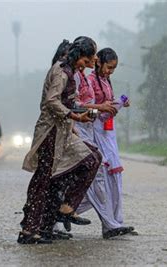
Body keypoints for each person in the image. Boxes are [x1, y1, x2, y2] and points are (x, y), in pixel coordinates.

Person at [18, 37, 102, 244]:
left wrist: (85, 112)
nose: (88, 64)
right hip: (50, 133)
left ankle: (63, 209)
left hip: (63, 132)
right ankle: (29, 230)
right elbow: (51, 101)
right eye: (87, 59)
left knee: (91, 158)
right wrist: (75, 116)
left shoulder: (71, 72)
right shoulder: (61, 71)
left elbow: (69, 102)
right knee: (43, 179)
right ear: (78, 56)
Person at [77, 47, 135, 239]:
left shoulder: (103, 80)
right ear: (98, 62)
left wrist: (117, 103)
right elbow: (81, 107)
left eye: (114, 69)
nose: (110, 71)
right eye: (109, 67)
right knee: (100, 179)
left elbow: (104, 105)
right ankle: (60, 213)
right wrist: (102, 108)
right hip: (93, 132)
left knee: (113, 179)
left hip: (108, 132)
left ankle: (115, 222)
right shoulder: (88, 80)